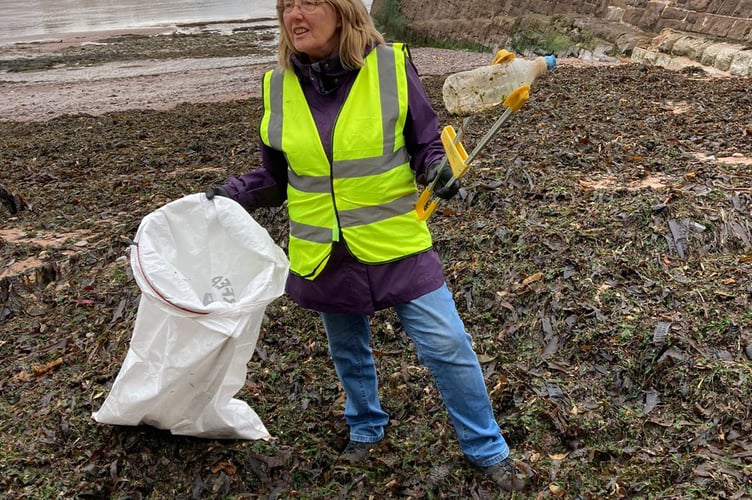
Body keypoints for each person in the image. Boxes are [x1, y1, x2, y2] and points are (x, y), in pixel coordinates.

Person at [205, 0, 528, 492]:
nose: (296, 15)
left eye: (309, 3)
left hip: (395, 240)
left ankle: (486, 448)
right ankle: (365, 427)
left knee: (447, 345)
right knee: (348, 351)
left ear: (342, 13)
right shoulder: (277, 86)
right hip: (324, 250)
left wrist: (437, 169)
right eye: (287, 5)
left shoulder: (390, 65)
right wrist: (230, 194)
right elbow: (276, 177)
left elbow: (425, 143)